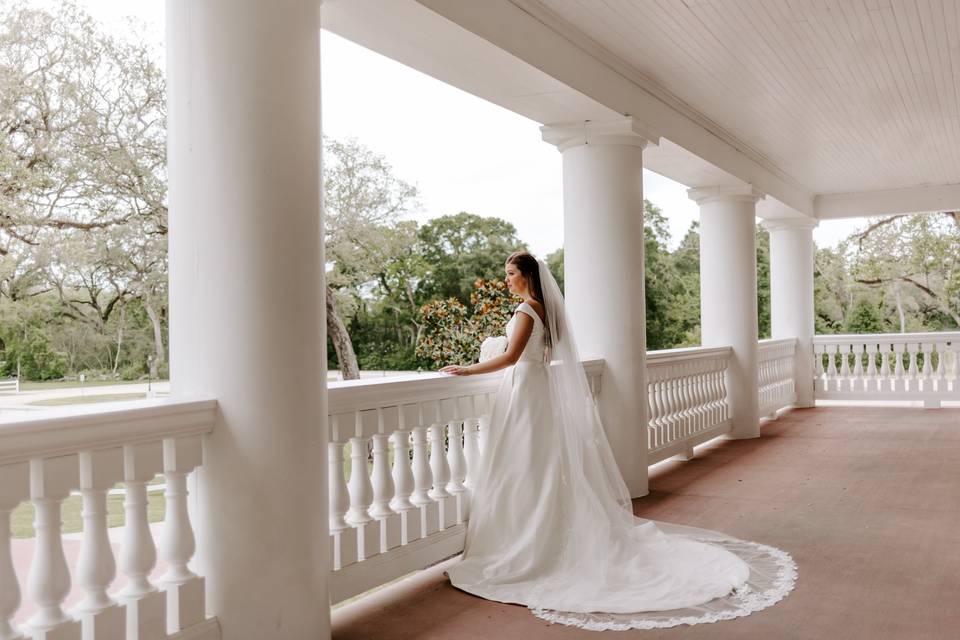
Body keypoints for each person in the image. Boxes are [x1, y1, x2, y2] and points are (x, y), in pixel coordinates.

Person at [439, 251, 797, 631]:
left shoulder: (526, 311)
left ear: (527, 275)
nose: (506, 279)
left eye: (510, 273)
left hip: (525, 390)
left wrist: (468, 369)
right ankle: (532, 534)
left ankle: (525, 543)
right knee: (536, 464)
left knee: (527, 464)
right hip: (535, 390)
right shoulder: (543, 310)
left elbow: (512, 357)